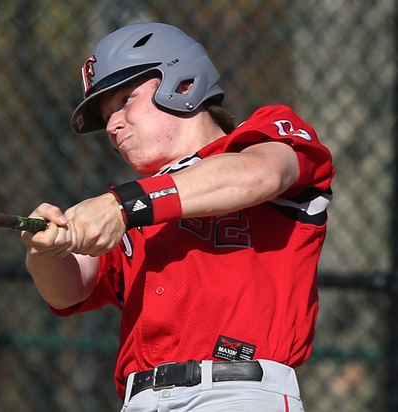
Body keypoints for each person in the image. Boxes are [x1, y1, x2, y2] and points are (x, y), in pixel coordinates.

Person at [21, 22, 334, 412]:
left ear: (183, 84)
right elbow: (70, 289)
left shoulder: (264, 136)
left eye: (124, 101)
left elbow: (260, 175)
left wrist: (123, 204)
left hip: (237, 393)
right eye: (106, 116)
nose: (113, 126)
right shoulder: (140, 205)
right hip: (141, 398)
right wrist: (47, 253)